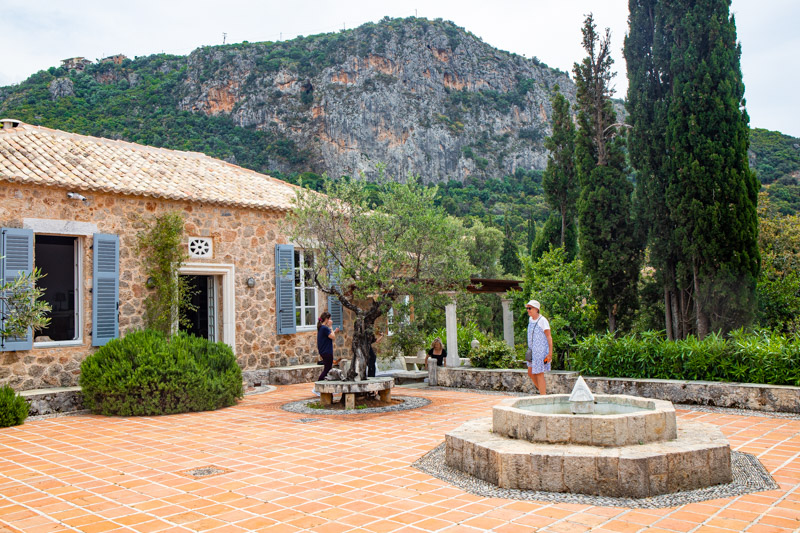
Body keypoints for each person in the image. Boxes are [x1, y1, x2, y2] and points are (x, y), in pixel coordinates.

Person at [525, 300, 553, 395]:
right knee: (530, 372)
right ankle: (542, 392)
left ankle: (543, 395)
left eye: (530, 308)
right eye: (527, 308)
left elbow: (549, 337)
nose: (528, 310)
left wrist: (550, 353)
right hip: (532, 351)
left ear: (536, 309)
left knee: (539, 374)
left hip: (541, 351)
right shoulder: (530, 320)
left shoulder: (543, 321)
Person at [317, 312, 340, 382]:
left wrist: (334, 331)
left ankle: (323, 384)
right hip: (327, 351)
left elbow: (329, 335)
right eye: (329, 319)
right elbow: (333, 337)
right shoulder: (325, 328)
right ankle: (319, 382)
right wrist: (331, 327)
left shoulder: (321, 327)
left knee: (327, 368)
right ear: (327, 319)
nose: (330, 320)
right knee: (327, 369)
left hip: (323, 351)